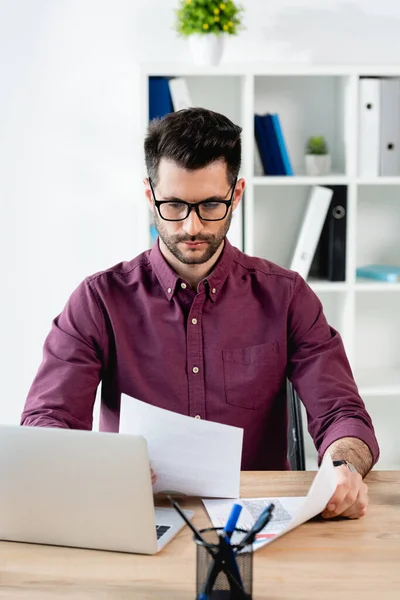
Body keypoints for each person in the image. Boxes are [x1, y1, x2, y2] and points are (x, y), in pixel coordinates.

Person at [22, 108, 379, 519]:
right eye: (173, 205)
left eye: (211, 204)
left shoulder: (287, 296)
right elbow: (49, 421)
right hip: (134, 513)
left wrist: (343, 467)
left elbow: (342, 412)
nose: (191, 227)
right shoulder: (98, 300)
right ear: (149, 194)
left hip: (256, 519)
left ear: (237, 193)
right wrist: (85, 470)